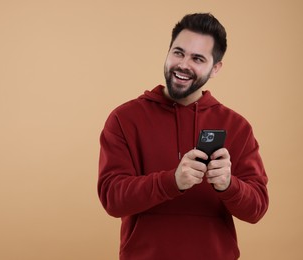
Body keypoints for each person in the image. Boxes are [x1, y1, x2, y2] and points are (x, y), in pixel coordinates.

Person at [97, 13, 269, 260]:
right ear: (168, 53)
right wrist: (172, 182)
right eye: (178, 53)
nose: (183, 64)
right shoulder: (124, 119)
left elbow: (257, 209)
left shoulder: (237, 127)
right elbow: (112, 199)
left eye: (198, 58)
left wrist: (229, 185)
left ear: (215, 68)